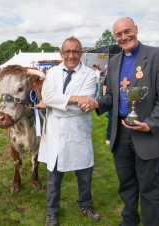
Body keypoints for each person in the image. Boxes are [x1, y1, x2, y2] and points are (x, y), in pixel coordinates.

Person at [81, 17, 159, 226]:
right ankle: (129, 220)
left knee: (149, 186)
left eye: (127, 31)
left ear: (136, 30)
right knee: (126, 183)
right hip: (121, 132)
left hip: (146, 131)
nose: (124, 37)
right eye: (119, 34)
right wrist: (96, 102)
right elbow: (112, 96)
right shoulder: (114, 62)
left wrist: (150, 123)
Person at [37, 36, 100, 226]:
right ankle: (51, 212)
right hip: (55, 130)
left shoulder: (89, 74)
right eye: (67, 52)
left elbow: (86, 102)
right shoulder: (53, 72)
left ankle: (85, 205)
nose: (71, 56)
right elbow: (46, 96)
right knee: (53, 178)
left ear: (81, 53)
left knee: (84, 174)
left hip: (77, 129)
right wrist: (76, 99)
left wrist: (58, 101)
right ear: (61, 53)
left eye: (75, 51)